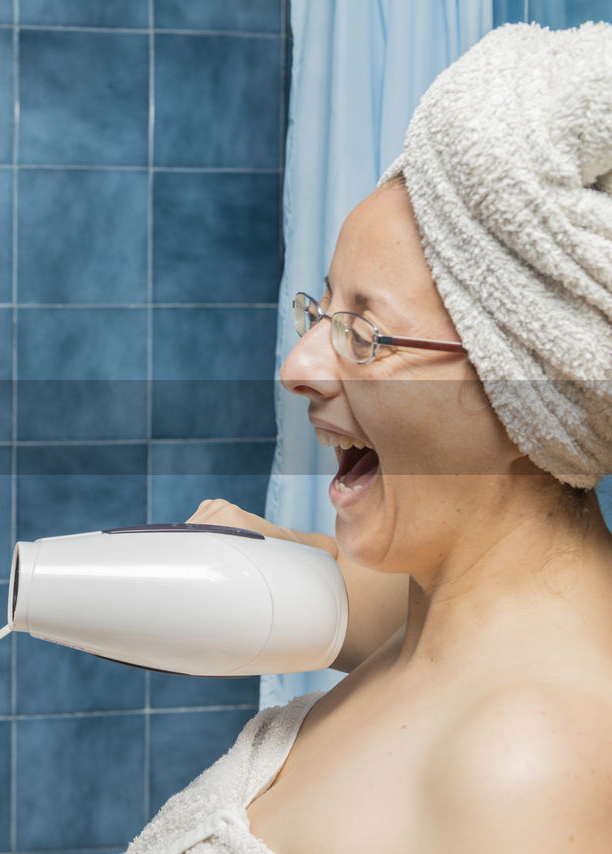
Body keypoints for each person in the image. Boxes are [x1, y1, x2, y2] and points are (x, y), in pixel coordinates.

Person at [126, 22, 612, 854]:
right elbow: (361, 600)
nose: (298, 366)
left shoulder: (526, 761)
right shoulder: (433, 615)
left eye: (367, 335)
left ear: (531, 395)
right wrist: (259, 548)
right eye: (320, 311)